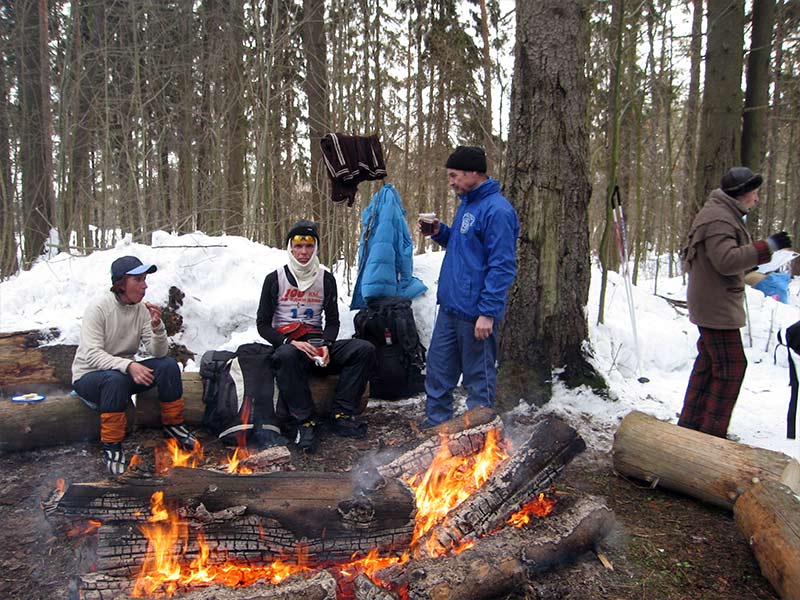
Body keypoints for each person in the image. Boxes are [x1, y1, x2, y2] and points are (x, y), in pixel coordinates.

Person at [679, 167, 792, 438]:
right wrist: (768, 247)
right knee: (731, 368)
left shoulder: (721, 213)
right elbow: (727, 261)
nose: (756, 199)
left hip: (713, 300)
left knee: (709, 365)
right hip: (715, 305)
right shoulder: (719, 218)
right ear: (741, 194)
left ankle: (690, 429)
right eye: (753, 194)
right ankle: (710, 436)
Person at [420, 146, 520, 426]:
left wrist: (488, 312)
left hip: (476, 314)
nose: (451, 182)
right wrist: (441, 232)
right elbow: (466, 247)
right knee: (438, 375)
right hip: (450, 308)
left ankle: (478, 439)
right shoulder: (468, 203)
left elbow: (502, 266)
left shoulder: (498, 211)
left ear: (473, 172)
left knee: (478, 382)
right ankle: (435, 435)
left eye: (454, 176)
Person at [256, 220, 376, 451]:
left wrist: (327, 345)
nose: (303, 252)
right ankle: (305, 421)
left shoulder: (325, 278)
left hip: (317, 345)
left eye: (309, 246)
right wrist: (290, 343)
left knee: (363, 349)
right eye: (298, 246)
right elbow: (263, 325)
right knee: (285, 356)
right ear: (290, 247)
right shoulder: (275, 278)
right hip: (289, 347)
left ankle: (342, 414)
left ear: (316, 248)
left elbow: (332, 321)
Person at [72, 256, 197, 476]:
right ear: (121, 284)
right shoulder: (99, 308)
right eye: (138, 280)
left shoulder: (140, 310)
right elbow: (92, 354)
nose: (145, 285)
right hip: (90, 377)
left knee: (167, 365)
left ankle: (173, 424)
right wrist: (129, 366)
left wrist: (158, 328)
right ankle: (112, 446)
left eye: (145, 279)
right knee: (114, 379)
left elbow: (158, 352)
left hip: (120, 374)